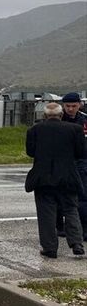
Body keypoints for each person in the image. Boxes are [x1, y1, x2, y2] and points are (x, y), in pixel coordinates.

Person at [26, 102, 84, 257]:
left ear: (44, 116)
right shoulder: (75, 129)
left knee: (46, 214)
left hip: (43, 178)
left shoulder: (34, 130)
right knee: (71, 209)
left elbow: (30, 152)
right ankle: (77, 243)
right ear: (61, 115)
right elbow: (80, 152)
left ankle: (50, 248)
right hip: (68, 176)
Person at [59, 93, 87, 240]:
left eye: (73, 106)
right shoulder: (58, 119)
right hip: (62, 162)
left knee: (82, 196)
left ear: (79, 105)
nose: (70, 109)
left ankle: (84, 228)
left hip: (81, 162)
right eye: (68, 106)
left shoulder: (84, 120)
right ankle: (60, 226)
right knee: (59, 195)